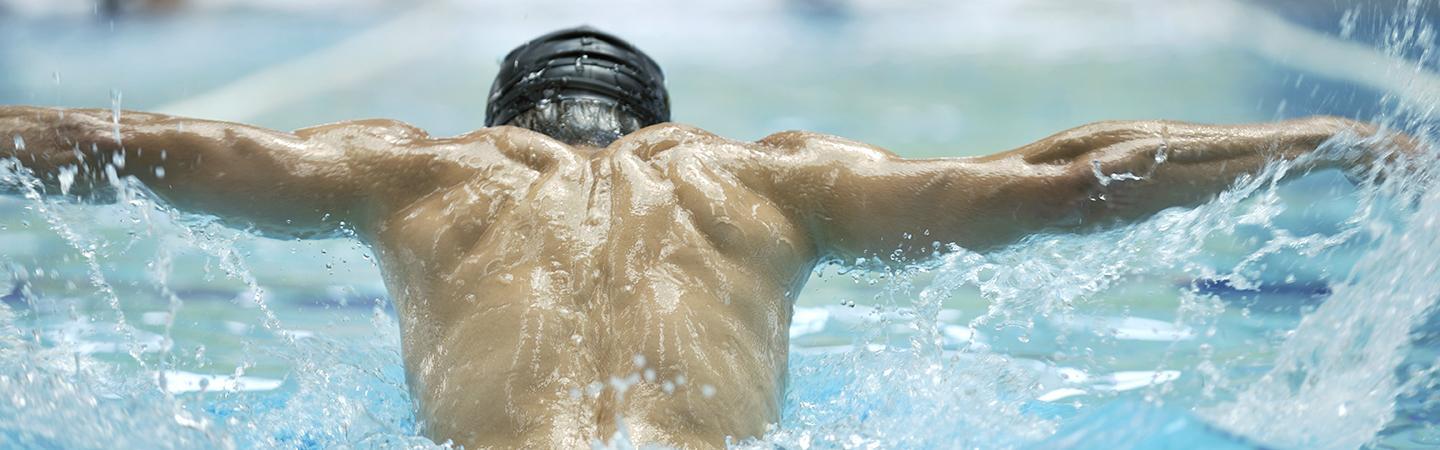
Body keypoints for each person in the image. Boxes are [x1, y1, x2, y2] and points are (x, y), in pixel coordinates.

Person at [0, 26, 1420, 449]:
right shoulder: (765, 182)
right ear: (655, 118)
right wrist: (1315, 145)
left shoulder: (418, 177)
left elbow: (157, 147)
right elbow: (1062, 176)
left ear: (511, 118)